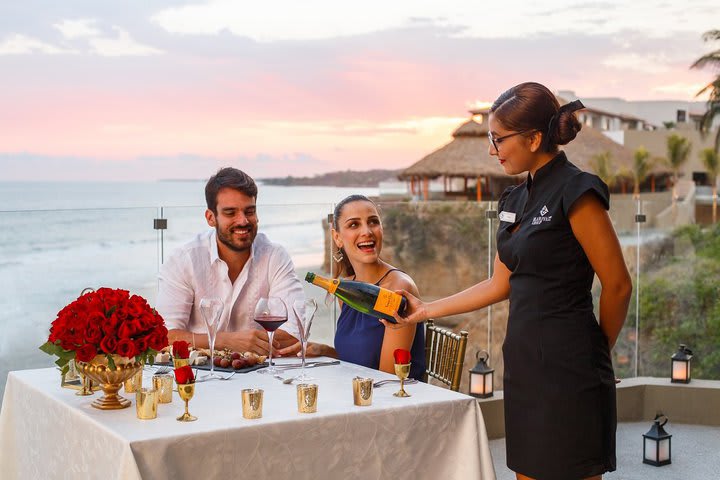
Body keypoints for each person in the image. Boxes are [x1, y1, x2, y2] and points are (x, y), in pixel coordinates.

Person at [388, 82, 632, 480]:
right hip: (523, 365)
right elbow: (499, 284)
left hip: (571, 366)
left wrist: (598, 354)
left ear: (534, 138)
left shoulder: (578, 191)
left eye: (498, 138)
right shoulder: (513, 201)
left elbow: (618, 284)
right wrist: (424, 310)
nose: (491, 149)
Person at [156, 167, 302, 355]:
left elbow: (294, 332)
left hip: (261, 375)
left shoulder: (275, 256)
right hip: (200, 376)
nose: (243, 221)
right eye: (230, 213)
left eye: (249, 211)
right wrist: (225, 341)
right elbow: (163, 337)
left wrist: (247, 346)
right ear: (211, 218)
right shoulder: (184, 260)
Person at [279, 195, 426, 380]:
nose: (367, 231)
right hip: (364, 393)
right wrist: (326, 351)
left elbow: (389, 379)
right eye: (354, 225)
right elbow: (361, 362)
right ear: (337, 237)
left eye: (373, 222)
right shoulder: (346, 291)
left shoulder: (397, 289)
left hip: (396, 400)